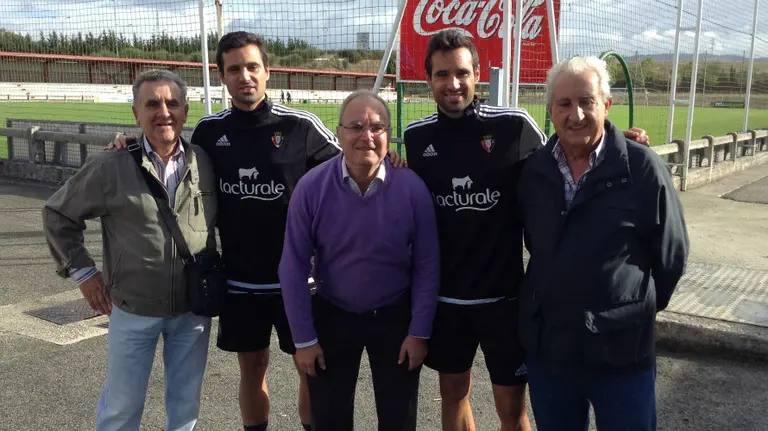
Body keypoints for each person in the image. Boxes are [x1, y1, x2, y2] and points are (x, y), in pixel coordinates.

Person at [110, 31, 406, 431]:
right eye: (234, 69)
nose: (244, 76)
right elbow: (168, 149)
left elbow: (354, 159)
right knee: (252, 367)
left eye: (252, 67)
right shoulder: (212, 132)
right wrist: (129, 142)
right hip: (240, 281)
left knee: (310, 369)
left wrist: (393, 160)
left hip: (300, 282)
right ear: (222, 76)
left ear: (267, 71)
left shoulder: (300, 126)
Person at [403, 30, 650, 431]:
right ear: (429, 79)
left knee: (512, 409)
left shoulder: (512, 126)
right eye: (442, 74)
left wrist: (619, 138)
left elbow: (570, 146)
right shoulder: (416, 138)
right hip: (446, 301)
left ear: (477, 74)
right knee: (453, 397)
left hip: (505, 299)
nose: (453, 84)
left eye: (462, 73)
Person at [517, 56, 689, 431]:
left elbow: (671, 256)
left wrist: (632, 308)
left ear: (606, 104)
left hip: (621, 355)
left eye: (586, 101)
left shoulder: (642, 168)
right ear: (550, 110)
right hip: (552, 353)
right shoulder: (535, 171)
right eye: (563, 104)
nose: (575, 114)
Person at [42, 69, 218, 431]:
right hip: (134, 310)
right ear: (136, 113)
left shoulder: (207, 162)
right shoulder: (111, 165)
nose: (163, 112)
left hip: (192, 311)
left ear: (186, 112)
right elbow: (58, 214)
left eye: (172, 103)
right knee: (122, 409)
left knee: (185, 407)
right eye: (152, 103)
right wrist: (85, 273)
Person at [279, 90, 440, 430]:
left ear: (387, 136)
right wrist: (304, 340)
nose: (366, 136)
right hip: (333, 313)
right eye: (355, 126)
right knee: (331, 420)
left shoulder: (412, 188)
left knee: (398, 420)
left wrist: (419, 332)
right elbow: (292, 265)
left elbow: (427, 264)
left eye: (377, 127)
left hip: (396, 317)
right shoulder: (311, 188)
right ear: (338, 134)